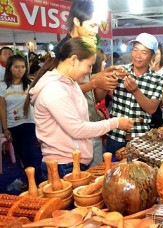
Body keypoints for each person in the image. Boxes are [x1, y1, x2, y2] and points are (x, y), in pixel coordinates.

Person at [27, 37, 134, 178]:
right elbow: (77, 129)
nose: (90, 71)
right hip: (63, 165)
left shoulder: (69, 83)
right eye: (89, 66)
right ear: (73, 60)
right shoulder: (54, 89)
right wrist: (115, 123)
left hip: (72, 162)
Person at [52, 0, 127, 167]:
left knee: (96, 178)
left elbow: (90, 92)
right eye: (92, 25)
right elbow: (59, 91)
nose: (96, 31)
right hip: (70, 137)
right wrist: (94, 82)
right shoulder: (62, 51)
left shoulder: (85, 48)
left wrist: (104, 79)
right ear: (77, 22)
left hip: (90, 124)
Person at [106, 33, 163, 154]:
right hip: (115, 135)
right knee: (111, 170)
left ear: (152, 56)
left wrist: (135, 91)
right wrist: (107, 79)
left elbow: (151, 109)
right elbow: (100, 95)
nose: (138, 55)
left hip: (140, 138)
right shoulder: (120, 71)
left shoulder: (158, 79)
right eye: (135, 50)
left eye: (144, 52)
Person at [0, 55, 43, 183]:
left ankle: (39, 182)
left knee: (31, 154)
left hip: (29, 123)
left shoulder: (30, 84)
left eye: (23, 67)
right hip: (13, 125)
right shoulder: (3, 87)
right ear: (10, 68)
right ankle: (30, 182)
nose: (20, 70)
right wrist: (5, 128)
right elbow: (2, 108)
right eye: (17, 67)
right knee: (22, 155)